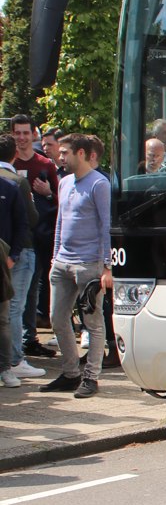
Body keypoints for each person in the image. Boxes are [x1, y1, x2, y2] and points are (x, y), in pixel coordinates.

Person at [39, 134, 112, 399]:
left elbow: (106, 225)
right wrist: (55, 257)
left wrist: (107, 266)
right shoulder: (64, 182)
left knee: (93, 323)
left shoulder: (99, 183)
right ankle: (71, 374)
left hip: (88, 264)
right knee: (58, 319)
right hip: (62, 262)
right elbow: (61, 220)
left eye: (65, 152)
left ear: (81, 153)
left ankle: (91, 377)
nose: (60, 157)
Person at [11, 115, 58, 355]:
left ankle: (28, 339)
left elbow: (59, 200)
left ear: (33, 135)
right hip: (9, 240)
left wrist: (49, 193)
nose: (21, 138)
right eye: (17, 133)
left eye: (25, 133)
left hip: (36, 238)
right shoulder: (7, 162)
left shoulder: (45, 164)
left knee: (31, 291)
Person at [0, 135, 43, 383]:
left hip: (7, 257)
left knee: (6, 313)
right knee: (12, 310)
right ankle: (13, 362)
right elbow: (30, 219)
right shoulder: (15, 182)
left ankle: (9, 365)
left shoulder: (11, 186)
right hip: (14, 255)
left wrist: (13, 255)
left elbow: (23, 222)